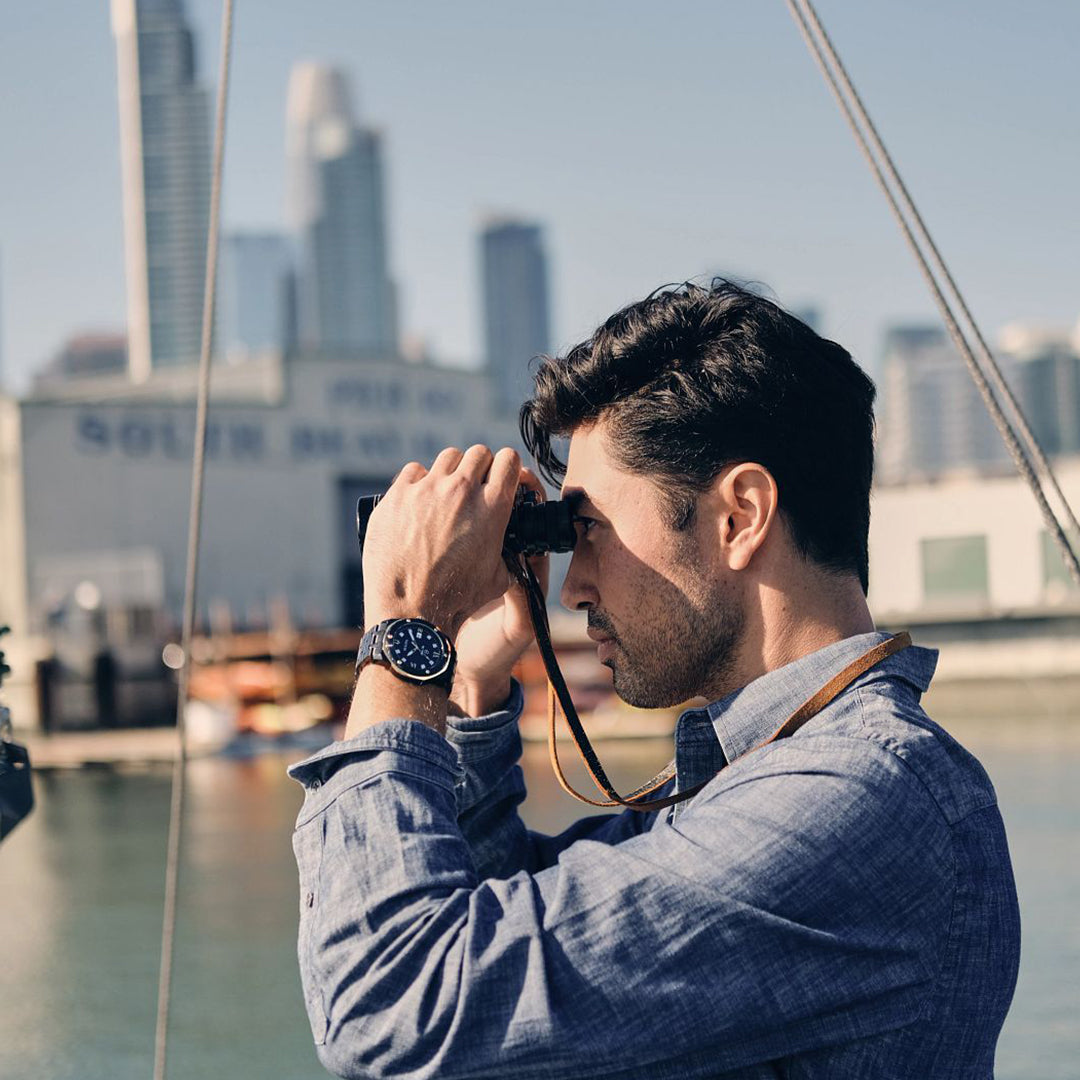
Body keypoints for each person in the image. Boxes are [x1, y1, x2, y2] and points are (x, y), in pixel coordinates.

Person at [289, 280, 1020, 1079]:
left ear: (739, 516)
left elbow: (398, 1009)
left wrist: (404, 625)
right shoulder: (757, 778)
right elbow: (503, 931)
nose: (571, 587)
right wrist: (468, 681)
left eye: (590, 528)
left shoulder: (860, 796)